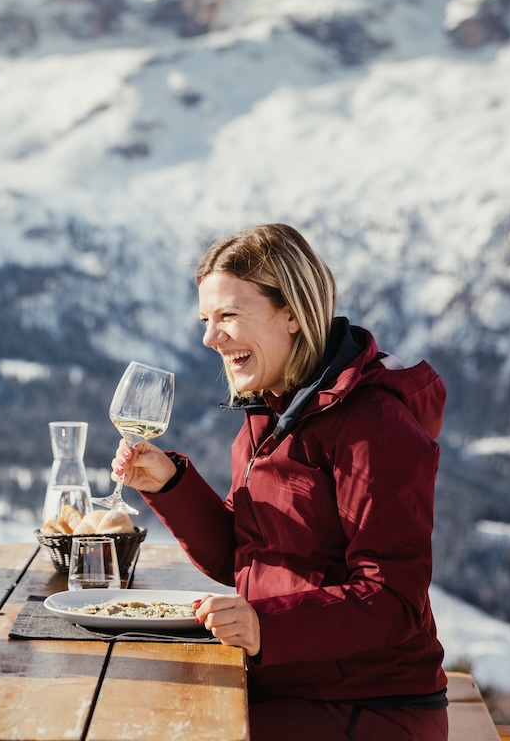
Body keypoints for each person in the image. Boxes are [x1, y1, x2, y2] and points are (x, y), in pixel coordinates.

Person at [112, 224, 449, 740]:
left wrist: (266, 627)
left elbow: (392, 598)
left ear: (291, 313)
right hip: (286, 688)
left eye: (228, 316)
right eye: (206, 319)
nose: (209, 337)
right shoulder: (271, 410)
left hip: (370, 708)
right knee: (133, 712)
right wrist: (169, 483)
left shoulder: (372, 424)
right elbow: (242, 559)